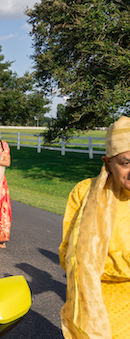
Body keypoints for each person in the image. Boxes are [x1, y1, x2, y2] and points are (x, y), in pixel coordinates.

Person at [60, 116, 130, 339]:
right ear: (108, 162)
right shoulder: (85, 193)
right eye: (125, 163)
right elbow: (69, 256)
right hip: (96, 309)